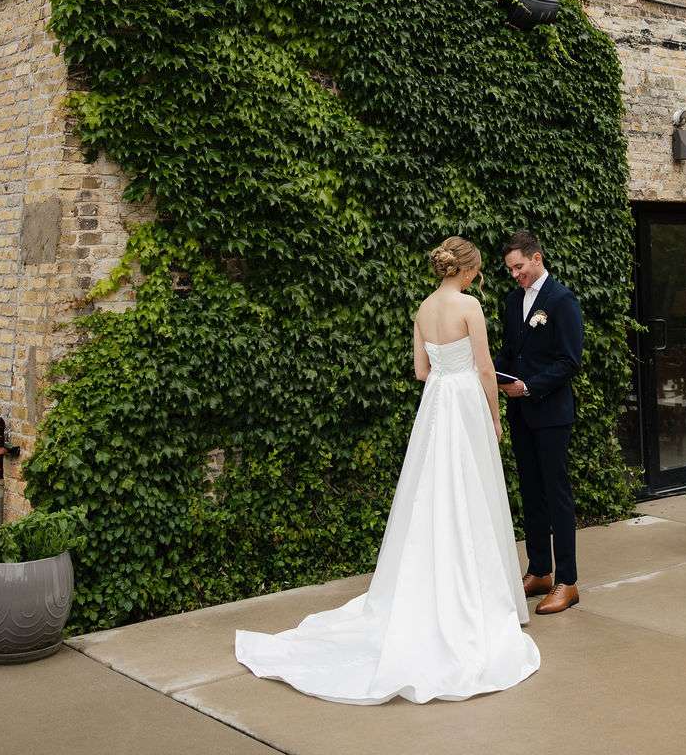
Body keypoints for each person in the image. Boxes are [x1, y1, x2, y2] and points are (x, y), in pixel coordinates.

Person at [234, 236, 539, 704]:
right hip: (464, 404)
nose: (479, 277)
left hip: (436, 402)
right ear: (467, 270)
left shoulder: (422, 308)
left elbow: (421, 371)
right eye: (477, 270)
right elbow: (484, 369)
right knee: (472, 493)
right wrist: (495, 418)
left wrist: (443, 371)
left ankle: (429, 588)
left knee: (431, 493)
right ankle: (478, 599)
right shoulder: (470, 306)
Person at [496, 229, 584, 615]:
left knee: (556, 494)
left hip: (550, 413)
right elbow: (509, 352)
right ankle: (540, 571)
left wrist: (530, 387)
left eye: (519, 267)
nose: (516, 275)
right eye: (510, 270)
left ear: (537, 258)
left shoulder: (562, 301)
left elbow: (570, 361)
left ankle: (568, 580)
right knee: (531, 492)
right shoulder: (513, 301)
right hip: (520, 413)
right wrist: (491, 374)